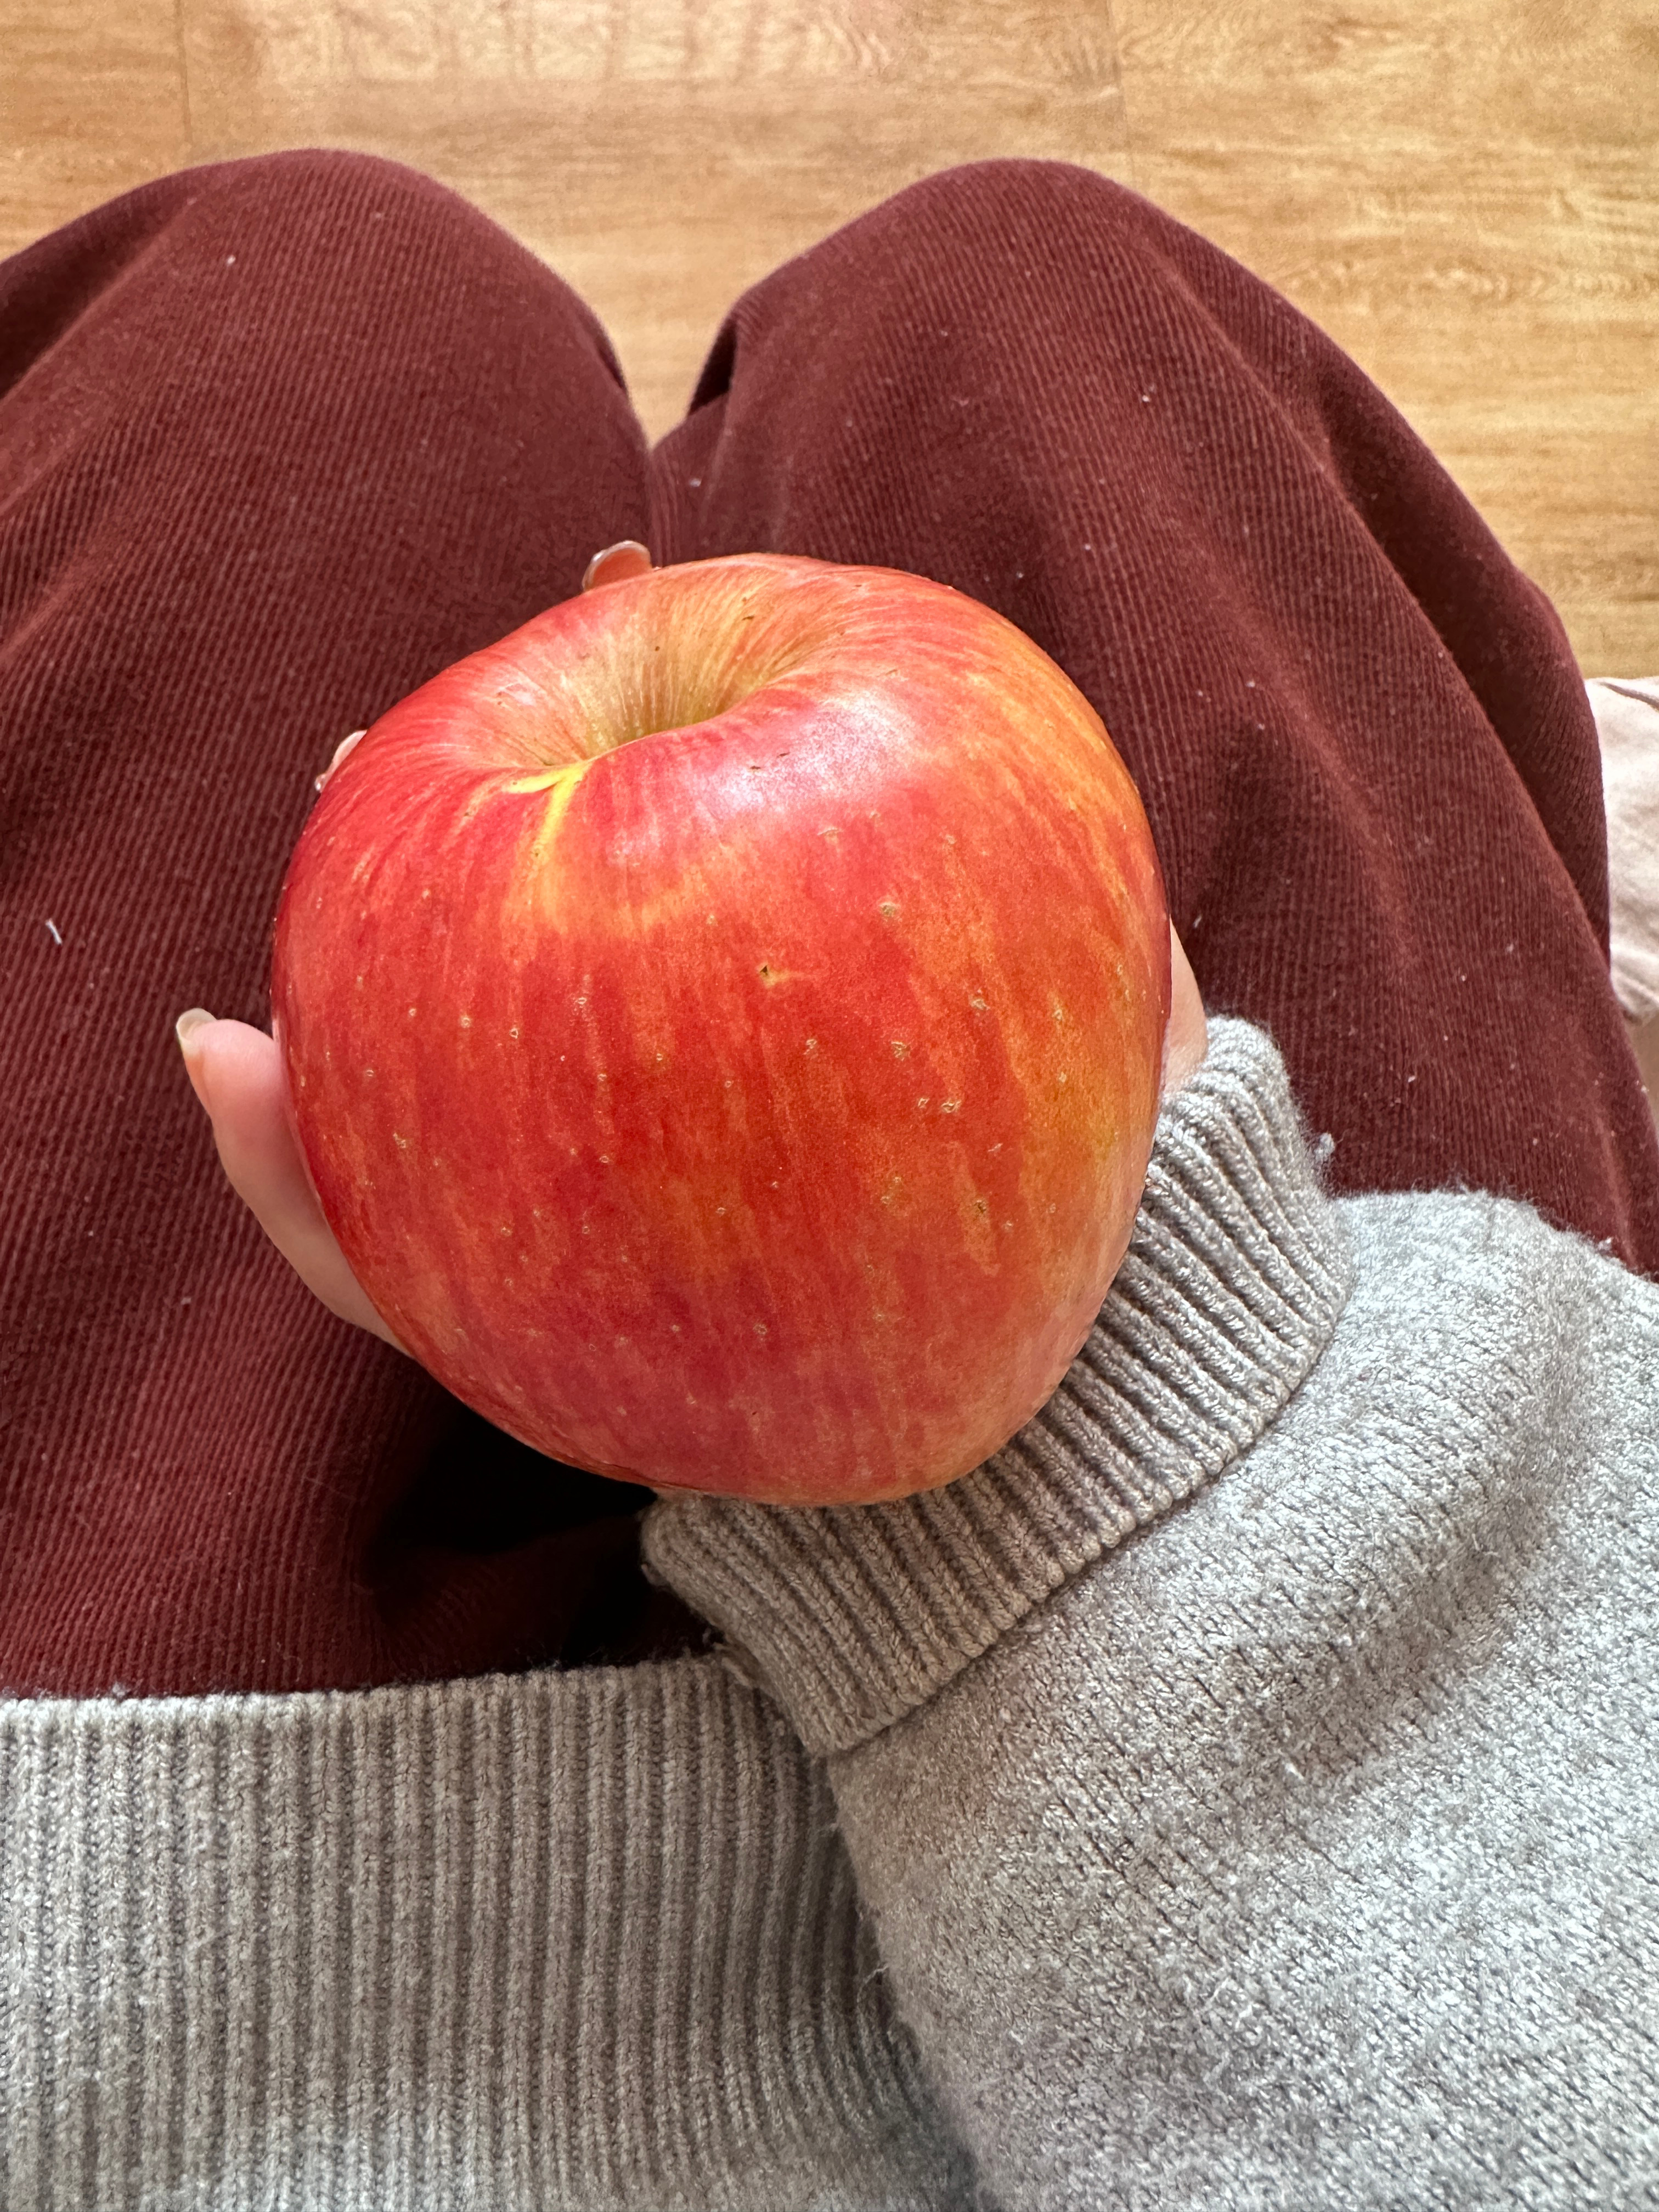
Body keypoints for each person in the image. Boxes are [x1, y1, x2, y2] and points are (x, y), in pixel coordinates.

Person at [1, 150, 1655, 2208]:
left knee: (317, 306)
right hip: (1328, 1891)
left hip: (152, 1980)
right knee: (1026, 302)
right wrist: (1129, 1446)